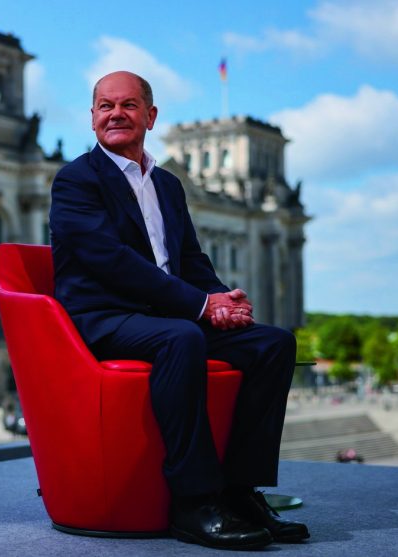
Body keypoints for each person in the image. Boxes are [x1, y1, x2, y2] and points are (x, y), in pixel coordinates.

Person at [49, 71, 309, 550]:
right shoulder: (76, 181)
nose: (115, 114)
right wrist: (200, 306)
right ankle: (194, 502)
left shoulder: (167, 183)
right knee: (180, 338)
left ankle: (240, 491)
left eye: (128, 105)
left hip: (166, 315)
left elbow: (189, 259)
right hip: (106, 318)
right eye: (105, 106)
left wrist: (222, 301)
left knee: (274, 343)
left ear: (150, 116)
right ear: (91, 118)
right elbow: (113, 263)